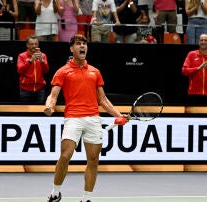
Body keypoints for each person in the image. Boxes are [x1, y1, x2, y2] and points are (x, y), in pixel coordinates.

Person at [44, 34, 127, 202]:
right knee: (65, 155)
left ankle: (86, 198)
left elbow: (102, 100)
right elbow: (53, 95)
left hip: (93, 119)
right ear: (71, 49)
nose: (82, 46)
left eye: (84, 44)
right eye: (78, 44)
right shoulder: (63, 71)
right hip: (73, 118)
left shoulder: (95, 72)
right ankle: (55, 192)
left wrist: (119, 115)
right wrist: (49, 106)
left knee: (93, 160)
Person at [182, 33, 207, 104]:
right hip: (193, 93)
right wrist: (198, 68)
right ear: (199, 42)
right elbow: (184, 71)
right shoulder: (191, 54)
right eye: (201, 40)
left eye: (205, 40)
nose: (203, 42)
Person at [17, 35, 49, 103]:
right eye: (31, 44)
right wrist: (30, 61)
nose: (34, 46)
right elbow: (20, 71)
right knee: (25, 113)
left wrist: (42, 61)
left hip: (40, 90)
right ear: (27, 45)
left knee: (39, 112)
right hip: (25, 90)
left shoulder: (43, 55)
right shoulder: (21, 56)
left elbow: (46, 71)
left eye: (36, 44)